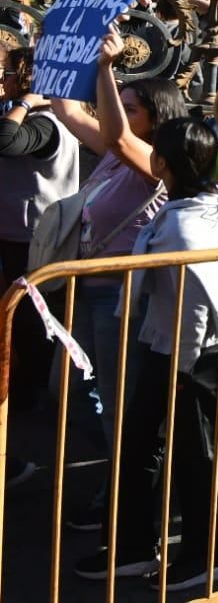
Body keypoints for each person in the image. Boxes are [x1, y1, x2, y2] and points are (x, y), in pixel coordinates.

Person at [73, 119, 218, 588]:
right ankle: (133, 547)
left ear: (162, 163)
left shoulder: (187, 226)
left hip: (194, 353)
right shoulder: (201, 201)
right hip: (164, 342)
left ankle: (209, 556)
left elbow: (195, 312)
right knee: (140, 441)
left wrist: (183, 371)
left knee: (194, 457)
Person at [51, 31, 181, 496]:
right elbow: (67, 111)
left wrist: (106, 68)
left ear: (157, 119)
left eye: (132, 108)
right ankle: (126, 463)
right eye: (119, 104)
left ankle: (126, 491)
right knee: (65, 389)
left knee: (115, 396)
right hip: (85, 290)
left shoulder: (154, 161)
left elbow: (118, 135)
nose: (120, 113)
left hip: (120, 297)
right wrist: (62, 50)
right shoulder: (112, 155)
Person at [0, 47, 81, 491]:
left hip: (35, 240)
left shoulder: (43, 124)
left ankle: (36, 402)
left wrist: (29, 100)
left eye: (10, 73)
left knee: (33, 324)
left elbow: (6, 141)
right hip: (23, 236)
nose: (5, 80)